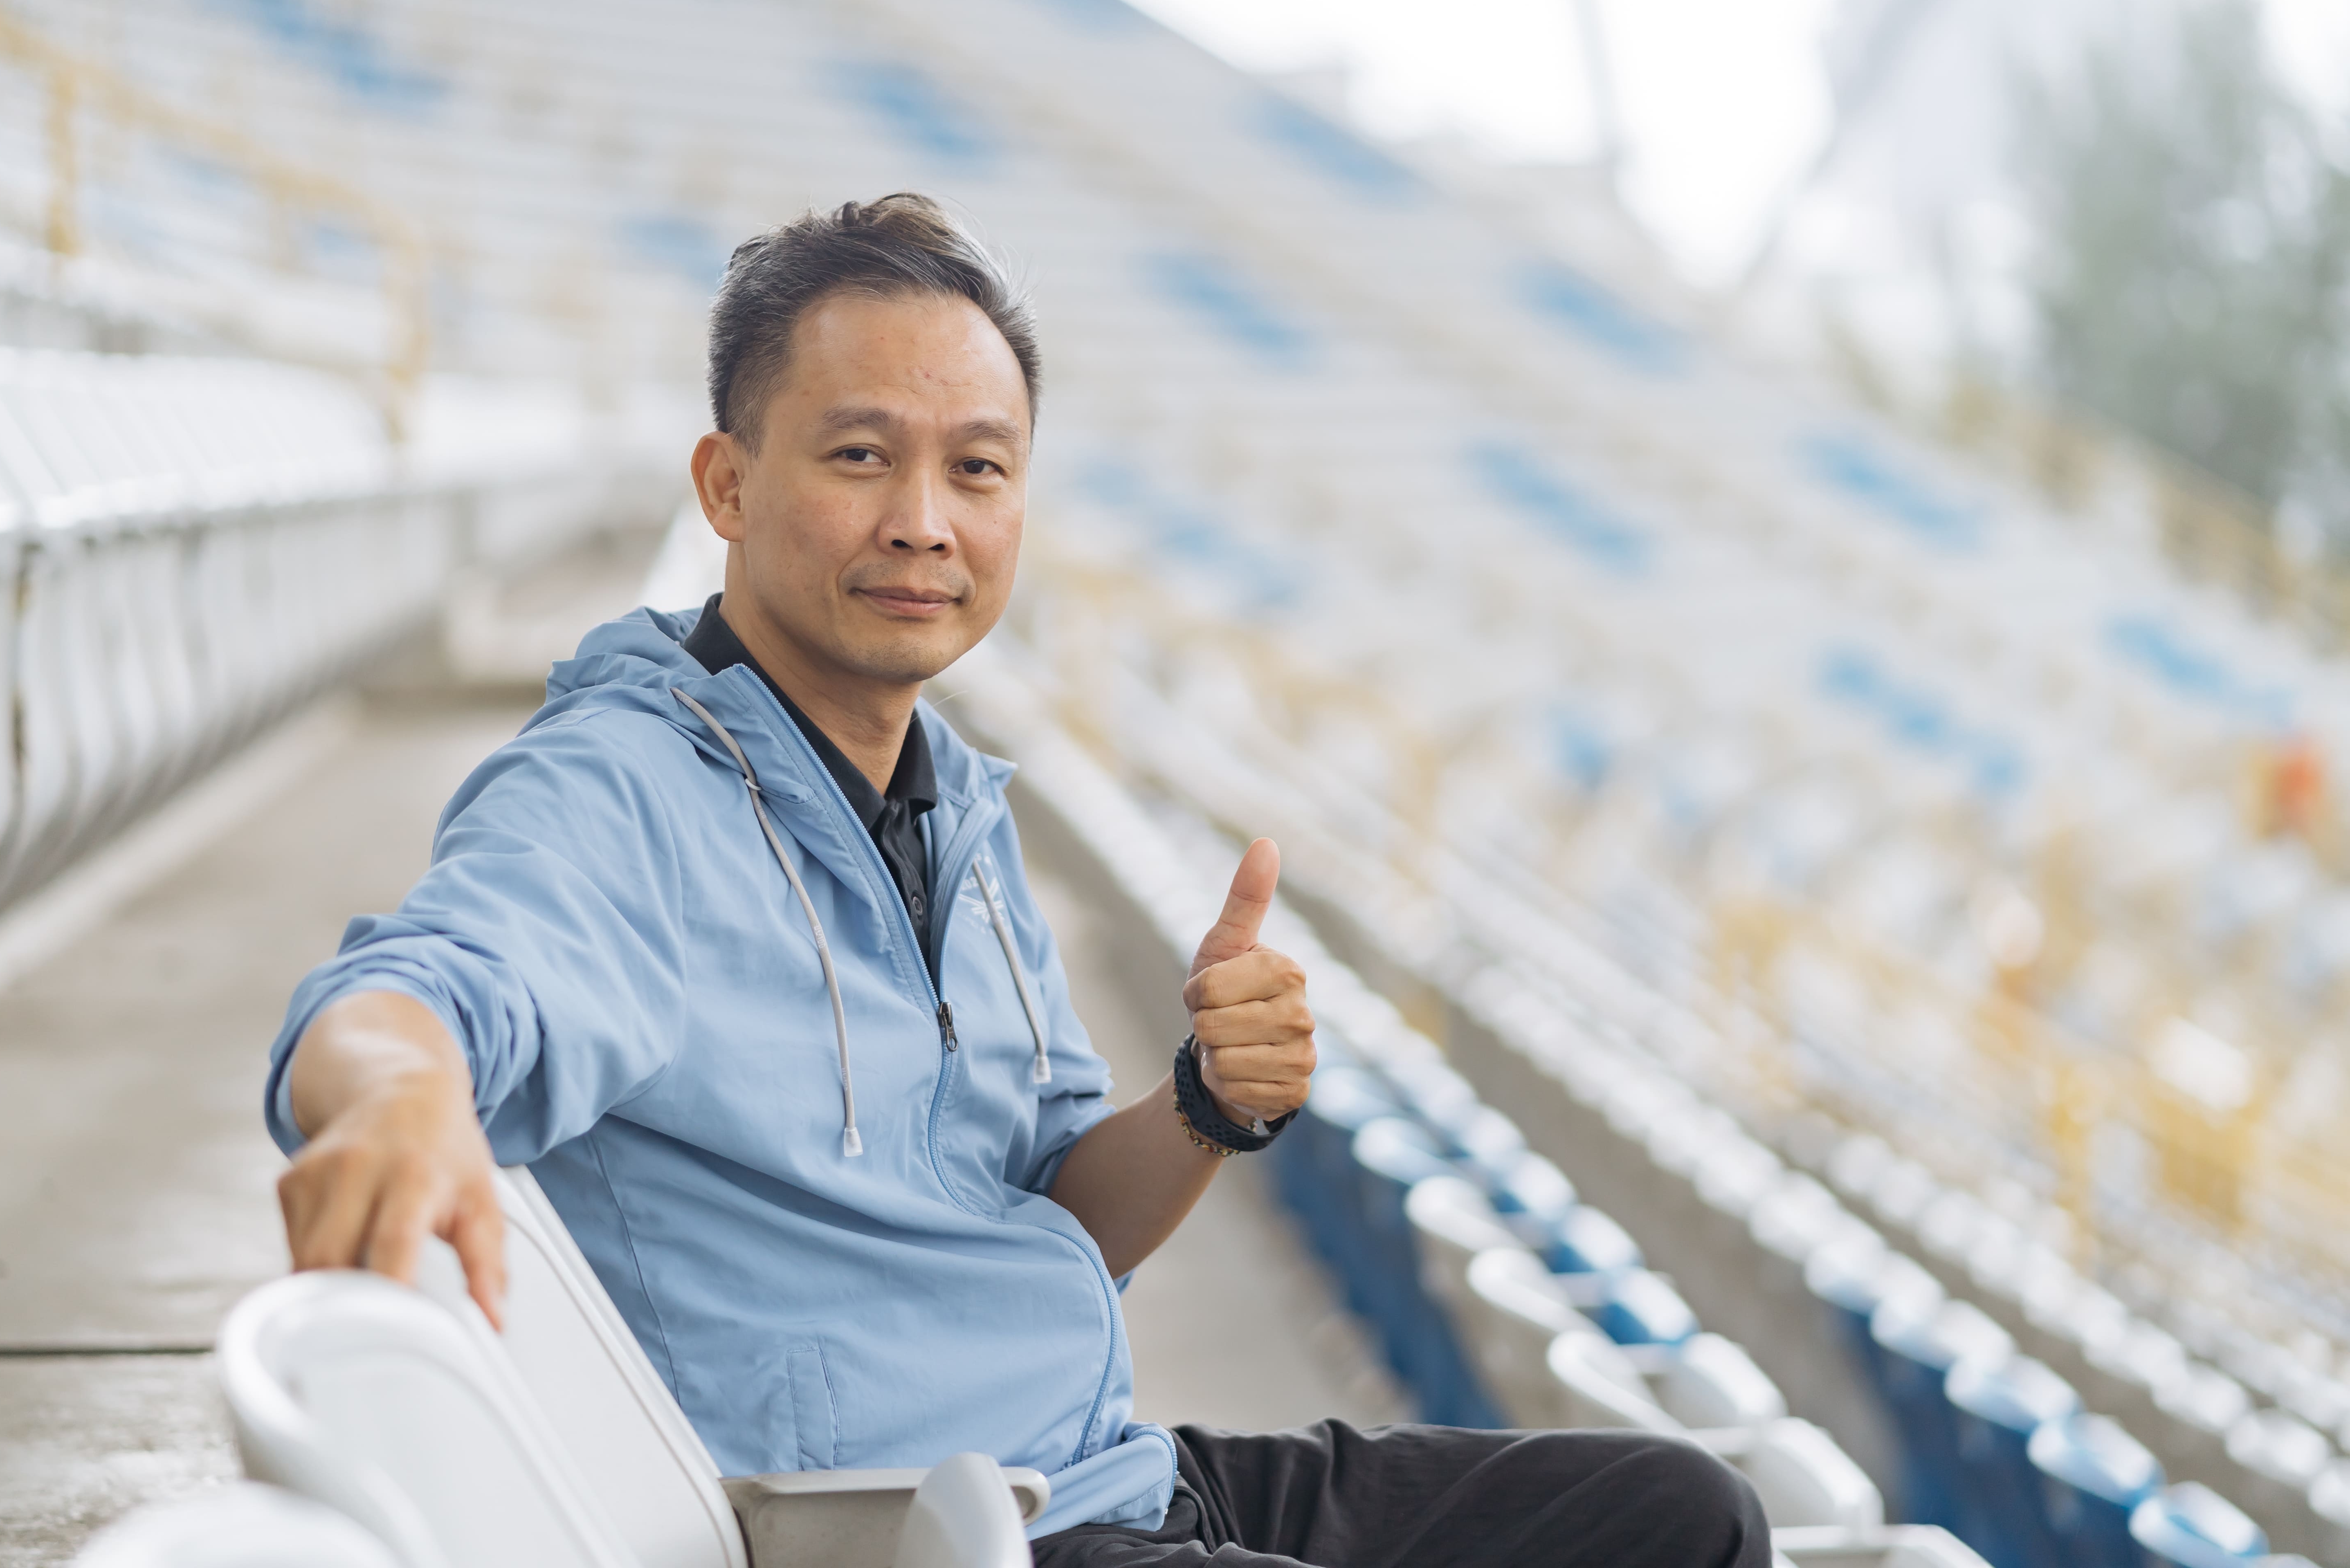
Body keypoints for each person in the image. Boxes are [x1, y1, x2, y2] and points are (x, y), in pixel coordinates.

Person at [266, 192, 1768, 1567]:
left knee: (1686, 1518)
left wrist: (1207, 1104)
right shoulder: (620, 788)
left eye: (976, 467)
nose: (925, 517)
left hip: (1098, 1475)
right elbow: (419, 989)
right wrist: (404, 1089)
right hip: (925, 1534)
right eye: (862, 456)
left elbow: (1057, 1207)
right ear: (726, 485)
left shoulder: (955, 812)